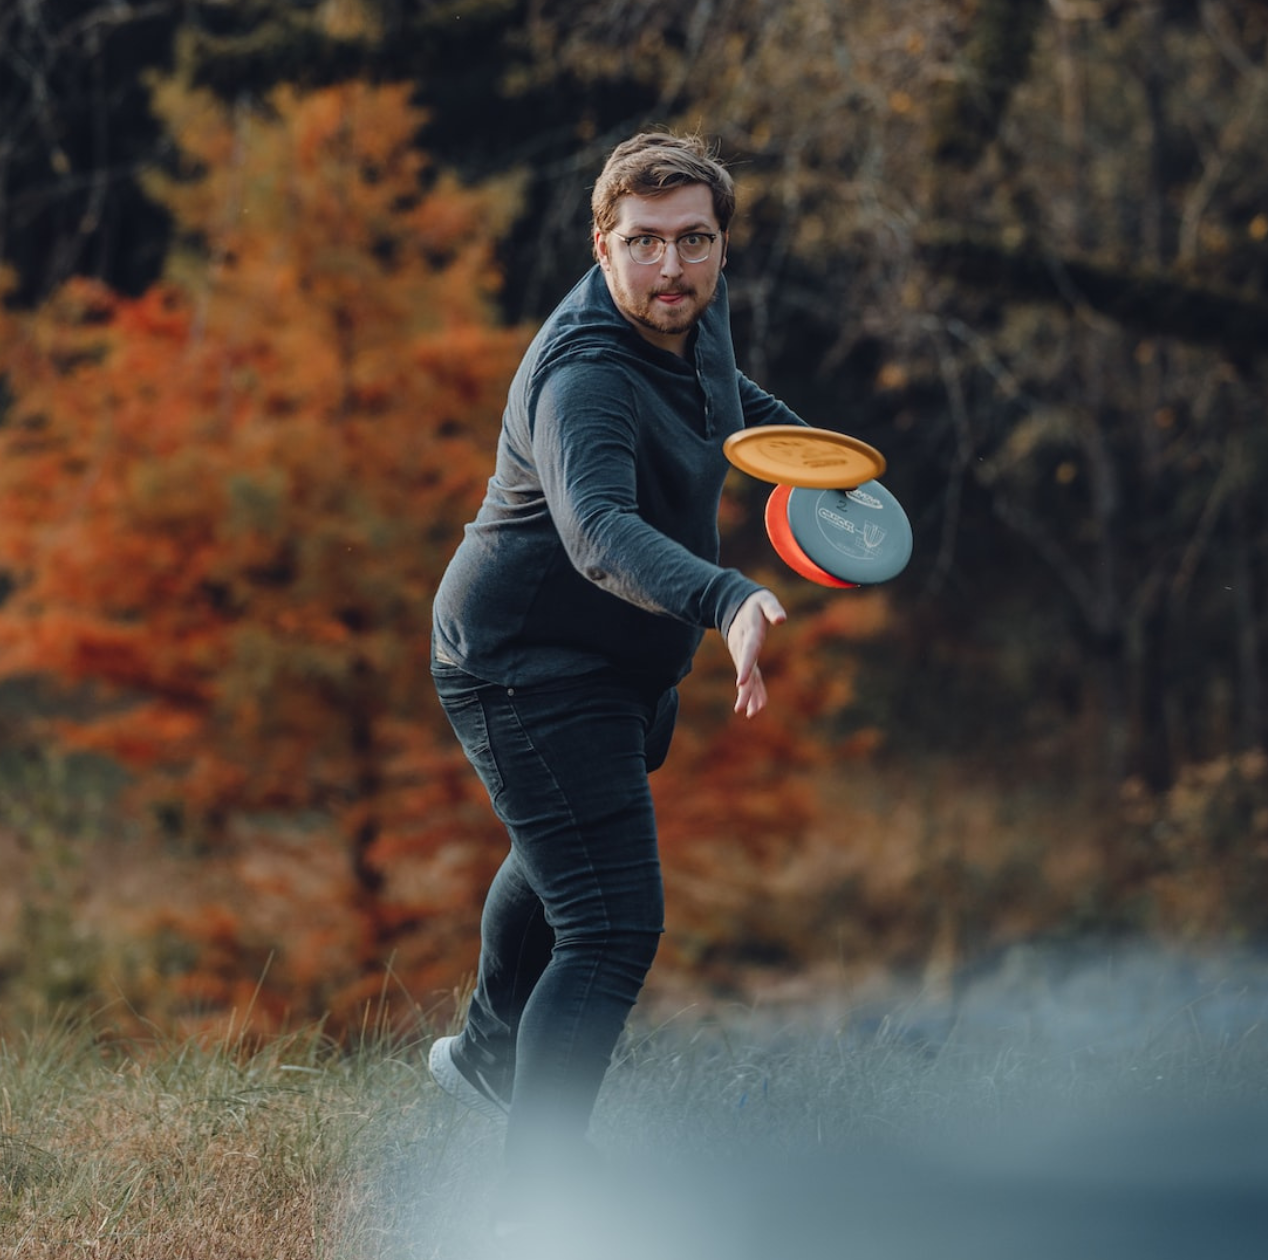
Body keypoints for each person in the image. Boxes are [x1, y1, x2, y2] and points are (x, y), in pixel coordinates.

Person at [426, 130, 807, 1201]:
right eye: (644, 243)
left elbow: (726, 406)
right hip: (524, 659)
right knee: (609, 924)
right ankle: (540, 1197)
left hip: (617, 656)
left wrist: (824, 468)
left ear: (720, 246)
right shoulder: (582, 374)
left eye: (694, 240)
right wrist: (726, 597)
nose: (672, 268)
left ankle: (485, 1054)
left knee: (563, 852)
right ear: (603, 246)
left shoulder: (689, 314)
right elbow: (596, 530)